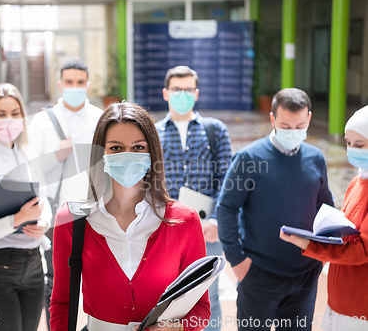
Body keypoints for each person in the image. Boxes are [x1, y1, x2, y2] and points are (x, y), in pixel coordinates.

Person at [50, 102, 211, 331]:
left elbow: (201, 309)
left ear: (151, 153)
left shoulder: (185, 221)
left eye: (137, 147)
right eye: (115, 148)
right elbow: (62, 303)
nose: (127, 155)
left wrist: (175, 328)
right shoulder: (71, 222)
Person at [217, 88, 334, 330]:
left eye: (299, 126)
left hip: (305, 277)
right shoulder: (248, 158)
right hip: (259, 274)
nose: (293, 132)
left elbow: (326, 207)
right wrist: (237, 261)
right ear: (272, 120)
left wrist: (321, 257)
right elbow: (226, 208)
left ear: (309, 119)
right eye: (286, 126)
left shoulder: (316, 158)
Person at [0, 83, 52, 331]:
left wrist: (43, 222)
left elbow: (44, 202)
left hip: (35, 263)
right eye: (1, 114)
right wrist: (17, 219)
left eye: (15, 113)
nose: (10, 120)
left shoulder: (29, 154)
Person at [156, 66, 232, 331]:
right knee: (165, 295)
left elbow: (226, 179)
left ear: (197, 93)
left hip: (206, 230)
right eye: (177, 89)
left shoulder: (215, 130)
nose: (182, 94)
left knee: (207, 295)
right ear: (166, 93)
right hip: (165, 229)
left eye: (188, 89)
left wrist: (215, 220)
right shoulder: (153, 132)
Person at [28, 59, 102, 327]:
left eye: (80, 82)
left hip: (96, 212)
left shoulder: (100, 118)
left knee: (100, 281)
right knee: (57, 284)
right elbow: (31, 170)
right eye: (69, 82)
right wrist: (56, 157)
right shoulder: (43, 122)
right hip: (57, 213)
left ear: (88, 85)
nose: (74, 87)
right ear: (60, 85)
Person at [280, 105, 368, 331]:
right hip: (340, 300)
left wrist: (310, 245)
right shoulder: (358, 181)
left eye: (360, 145)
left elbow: (361, 251)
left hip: (360, 309)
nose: (352, 150)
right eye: (348, 143)